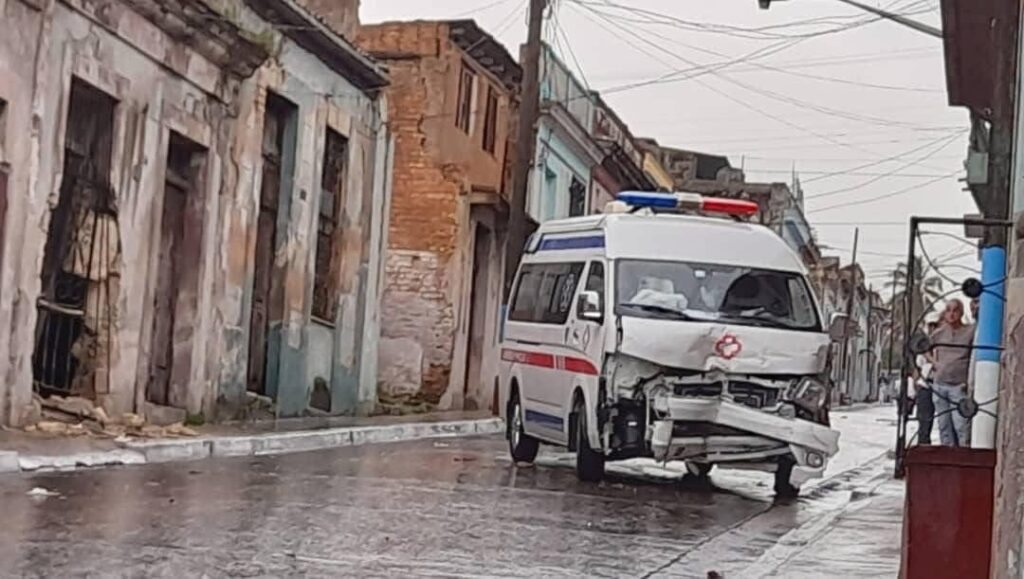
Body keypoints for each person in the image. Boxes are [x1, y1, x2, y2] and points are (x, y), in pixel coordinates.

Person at [929, 300, 975, 447]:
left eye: (955, 310)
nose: (951, 314)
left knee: (961, 425)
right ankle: (947, 456)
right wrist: (934, 362)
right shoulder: (939, 333)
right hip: (940, 384)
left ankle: (964, 455)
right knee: (944, 425)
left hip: (959, 385)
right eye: (948, 310)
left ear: (961, 313)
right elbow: (923, 347)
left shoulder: (970, 331)